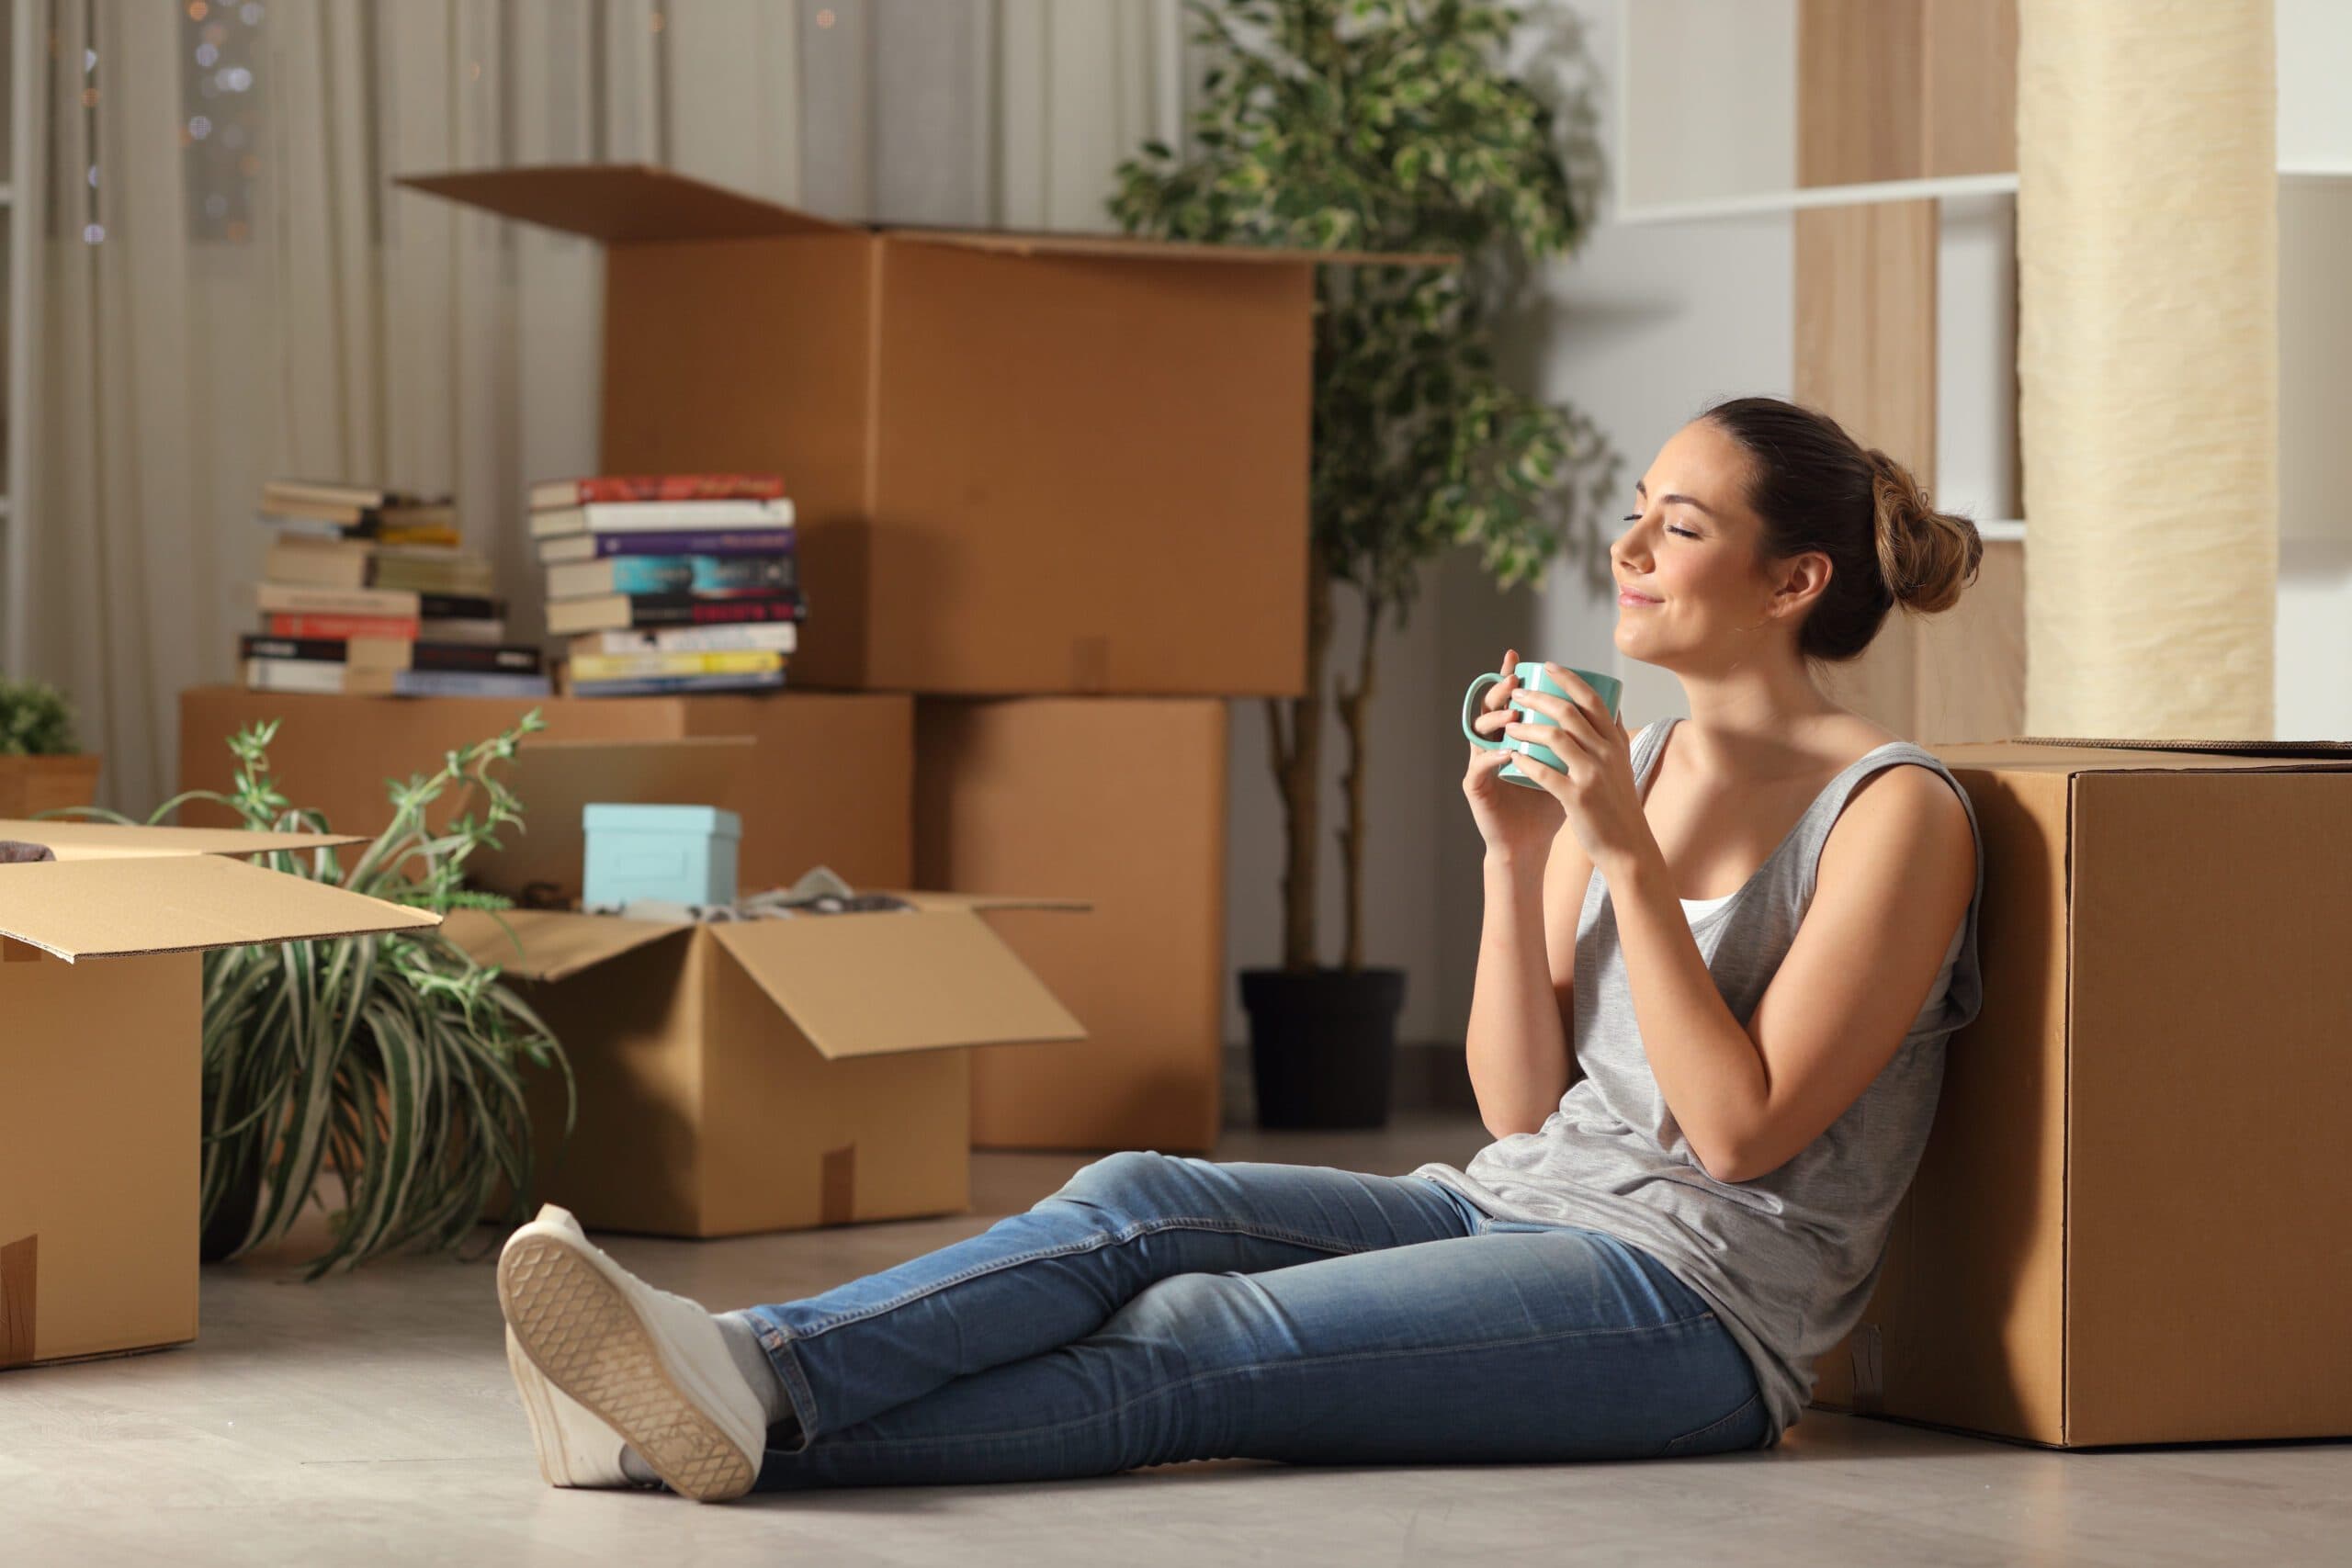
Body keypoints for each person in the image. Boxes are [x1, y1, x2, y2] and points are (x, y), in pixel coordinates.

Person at [494, 394, 1988, 1502]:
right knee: (1143, 1200)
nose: (1630, 546)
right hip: (1516, 1208)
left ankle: (663, 1427)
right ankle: (735, 1371)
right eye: (1638, 507)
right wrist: (1514, 855)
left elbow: (1734, 1135)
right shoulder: (1642, 765)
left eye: (1683, 523)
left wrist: (1618, 856)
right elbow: (1519, 1111)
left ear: (1793, 583)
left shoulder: (1895, 813)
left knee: (1199, 1337)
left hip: (1697, 1311)